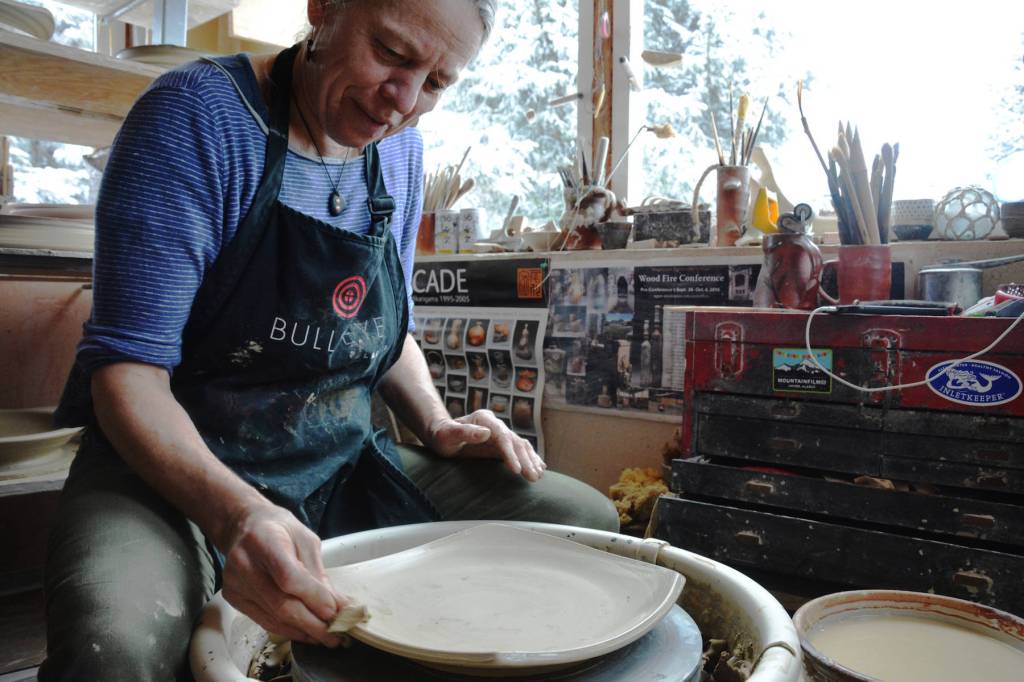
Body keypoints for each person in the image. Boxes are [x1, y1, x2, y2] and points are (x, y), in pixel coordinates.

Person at [40, 1, 618, 679]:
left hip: (334, 465)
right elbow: (127, 375)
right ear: (325, 8)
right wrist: (237, 518)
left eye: (435, 83)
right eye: (392, 54)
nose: (401, 102)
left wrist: (435, 423)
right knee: (117, 654)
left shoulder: (398, 151)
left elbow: (387, 328)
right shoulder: (197, 118)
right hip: (168, 479)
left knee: (579, 522)